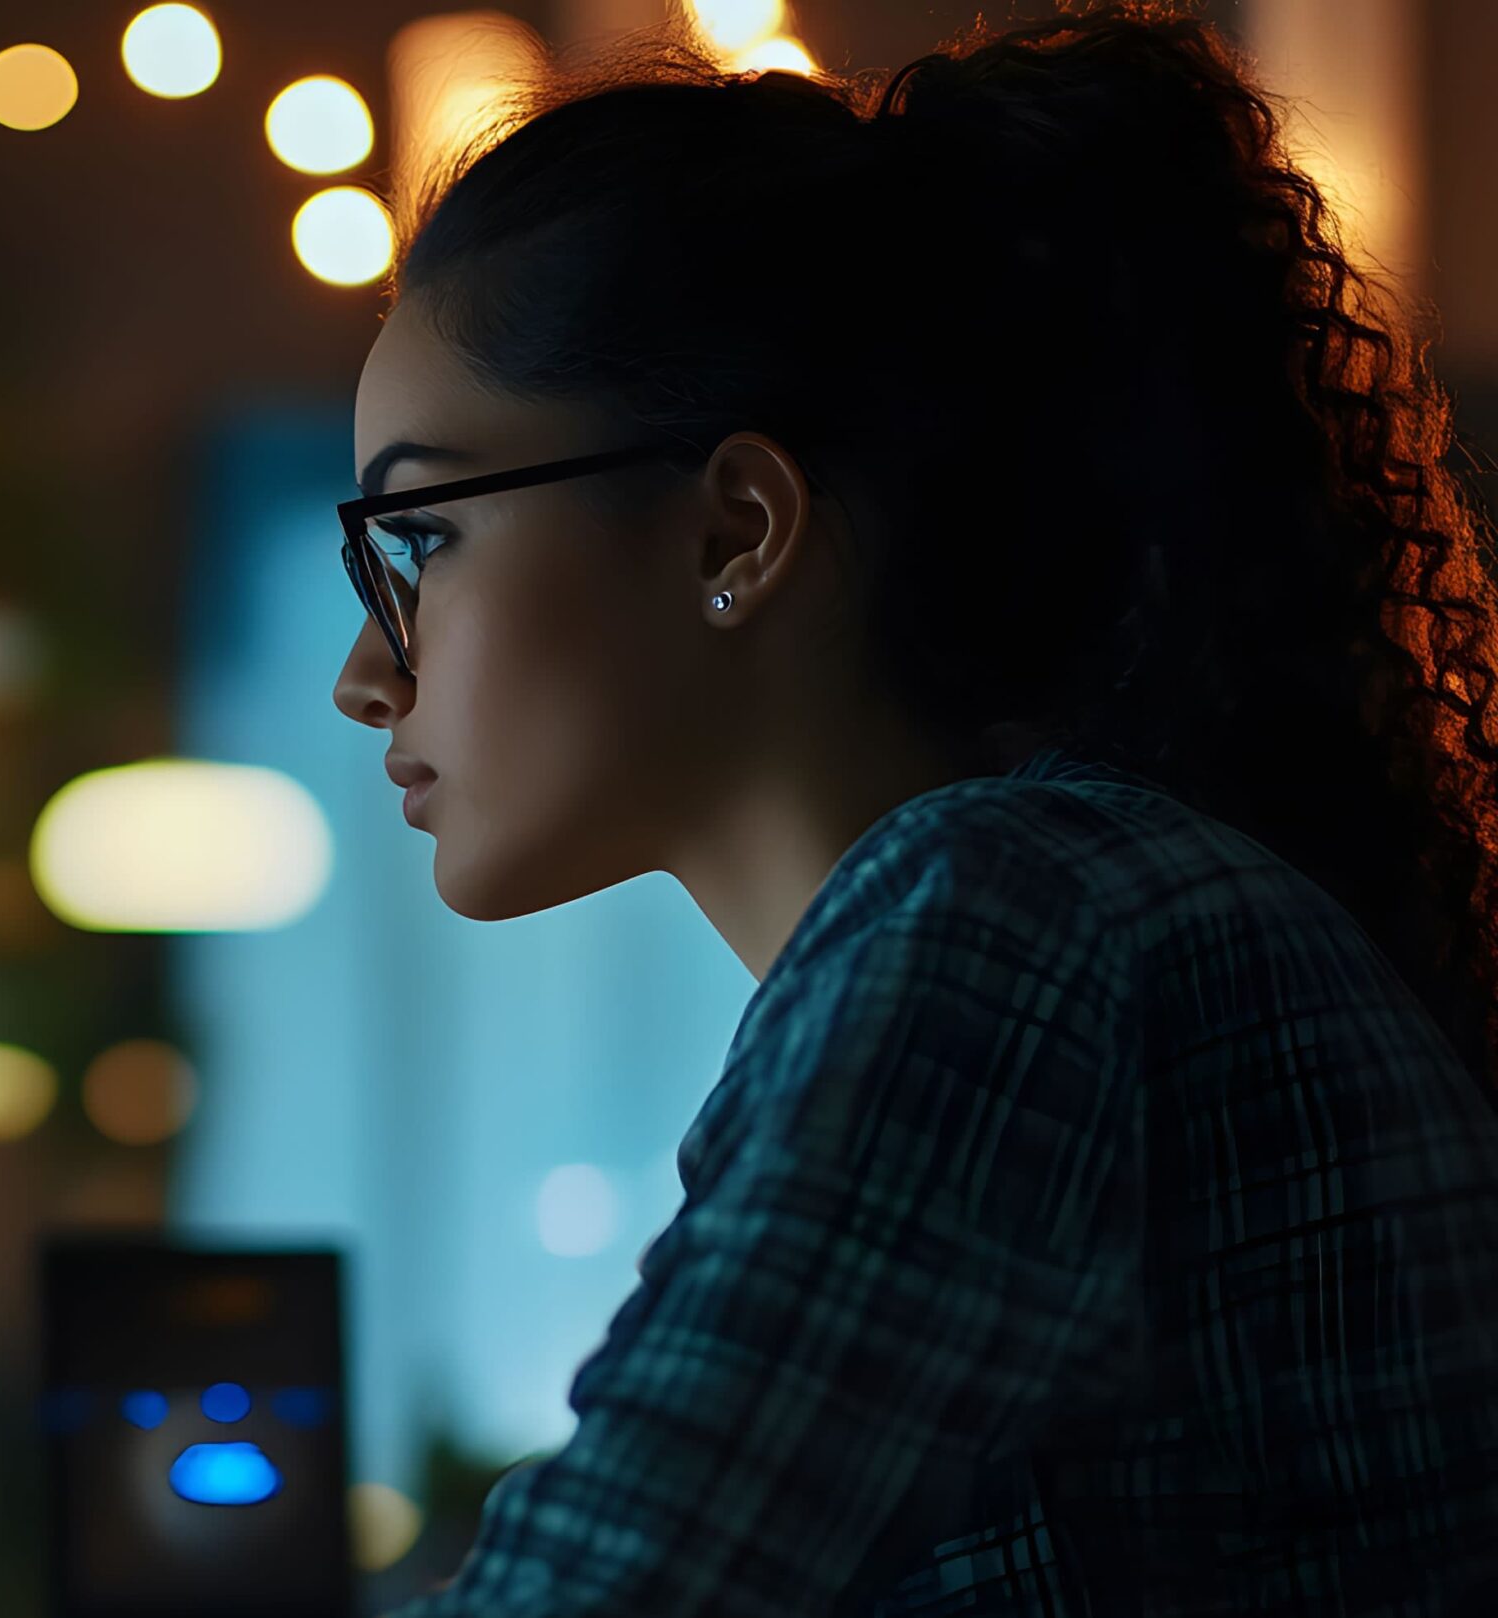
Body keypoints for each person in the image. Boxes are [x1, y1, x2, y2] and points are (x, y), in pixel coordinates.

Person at [330, 3, 1498, 1612]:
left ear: (737, 527)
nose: (361, 674)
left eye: (423, 541)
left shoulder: (1010, 912)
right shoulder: (1066, 889)